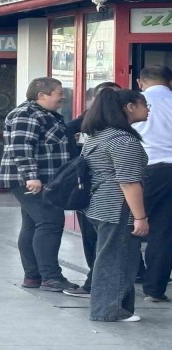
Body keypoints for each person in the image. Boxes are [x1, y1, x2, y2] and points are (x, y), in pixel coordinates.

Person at [0, 77, 79, 292]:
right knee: (50, 222)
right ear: (42, 95)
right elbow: (21, 146)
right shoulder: (26, 113)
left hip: (44, 179)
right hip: (34, 180)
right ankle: (51, 276)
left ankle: (33, 276)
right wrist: (32, 176)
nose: (62, 97)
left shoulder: (47, 115)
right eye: (59, 93)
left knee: (33, 224)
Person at [81, 89, 150, 322]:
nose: (148, 109)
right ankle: (109, 310)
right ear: (129, 107)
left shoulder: (98, 135)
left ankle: (115, 308)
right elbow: (129, 182)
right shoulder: (123, 141)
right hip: (117, 207)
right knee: (118, 259)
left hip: (98, 204)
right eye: (144, 104)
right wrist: (140, 217)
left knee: (110, 257)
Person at [62, 81, 121, 298]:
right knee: (93, 234)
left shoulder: (124, 122)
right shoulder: (92, 117)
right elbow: (67, 129)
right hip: (93, 186)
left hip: (115, 186)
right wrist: (76, 157)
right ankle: (93, 281)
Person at [134, 65, 172, 303]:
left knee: (129, 224)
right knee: (164, 231)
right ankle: (154, 290)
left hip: (146, 170)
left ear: (140, 82)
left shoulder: (135, 103)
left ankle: (122, 280)